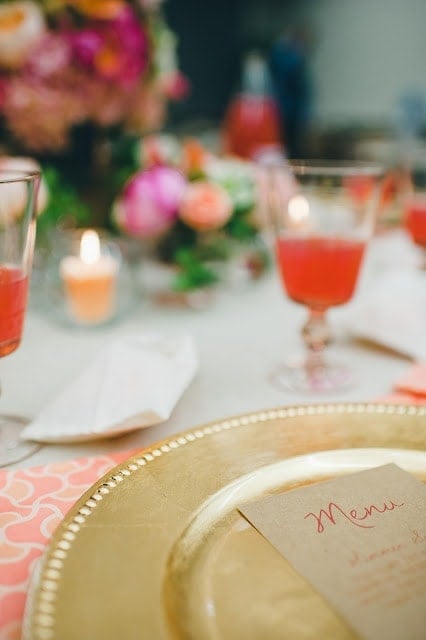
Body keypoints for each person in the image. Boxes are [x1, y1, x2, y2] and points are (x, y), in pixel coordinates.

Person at [268, 26, 312, 159]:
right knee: (288, 148)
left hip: (292, 112)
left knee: (292, 147)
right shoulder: (287, 57)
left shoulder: (288, 56)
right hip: (286, 111)